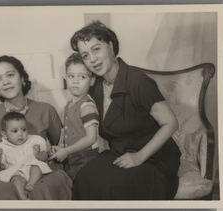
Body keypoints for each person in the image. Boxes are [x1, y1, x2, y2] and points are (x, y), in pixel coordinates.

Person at [70, 20, 181, 200]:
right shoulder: (95, 86)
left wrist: (139, 156)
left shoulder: (138, 82)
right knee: (84, 178)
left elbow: (171, 123)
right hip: (119, 153)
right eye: (85, 55)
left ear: (111, 47)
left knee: (112, 186)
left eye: (96, 49)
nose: (92, 59)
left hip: (153, 156)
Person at [0, 55, 72, 200]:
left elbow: (62, 147)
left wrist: (44, 157)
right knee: (1, 193)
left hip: (40, 171)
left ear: (22, 78)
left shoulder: (46, 110)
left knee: (42, 188)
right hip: (6, 175)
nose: (5, 82)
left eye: (10, 75)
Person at [49, 53, 99, 180]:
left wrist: (66, 151)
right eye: (71, 76)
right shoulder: (68, 105)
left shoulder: (87, 105)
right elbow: (67, 132)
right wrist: (61, 147)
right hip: (72, 156)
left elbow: (91, 138)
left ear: (92, 80)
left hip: (86, 157)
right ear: (66, 78)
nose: (75, 81)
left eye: (82, 77)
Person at [0, 112, 52, 200]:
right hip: (16, 172)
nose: (20, 134)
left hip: (32, 170)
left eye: (24, 129)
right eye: (15, 131)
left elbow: (45, 158)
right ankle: (23, 198)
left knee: (36, 166)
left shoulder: (34, 141)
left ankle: (30, 184)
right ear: (5, 135)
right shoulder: (1, 148)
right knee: (16, 180)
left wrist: (39, 154)